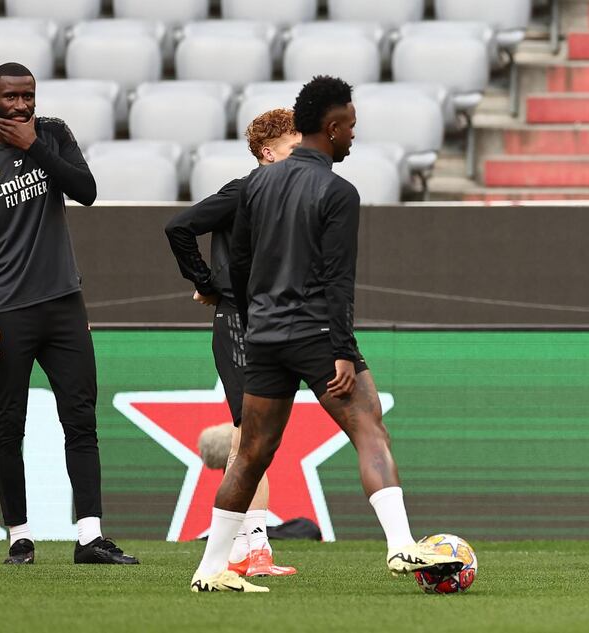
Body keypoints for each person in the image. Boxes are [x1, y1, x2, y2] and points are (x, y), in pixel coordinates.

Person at [188, 75, 462, 593]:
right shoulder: (338, 192)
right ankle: (401, 545)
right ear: (332, 128)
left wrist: (254, 316)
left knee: (251, 454)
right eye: (351, 125)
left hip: (264, 336)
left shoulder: (257, 184)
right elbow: (339, 280)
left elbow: (240, 263)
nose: (354, 135)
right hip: (316, 333)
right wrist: (342, 350)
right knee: (369, 428)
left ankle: (209, 570)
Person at [0, 62, 137, 565]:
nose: (21, 105)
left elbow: (86, 192)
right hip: (8, 313)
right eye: (10, 97)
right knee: (9, 426)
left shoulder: (52, 134)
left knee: (81, 421)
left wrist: (34, 147)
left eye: (28, 95)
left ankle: (90, 537)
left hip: (65, 305)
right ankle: (20, 537)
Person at [164, 108, 300, 577]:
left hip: (274, 322)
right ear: (268, 153)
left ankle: (248, 547)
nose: (303, 156)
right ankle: (251, 548)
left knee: (257, 439)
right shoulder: (243, 191)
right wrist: (207, 282)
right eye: (293, 148)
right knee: (250, 436)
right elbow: (179, 227)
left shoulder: (296, 198)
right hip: (239, 323)